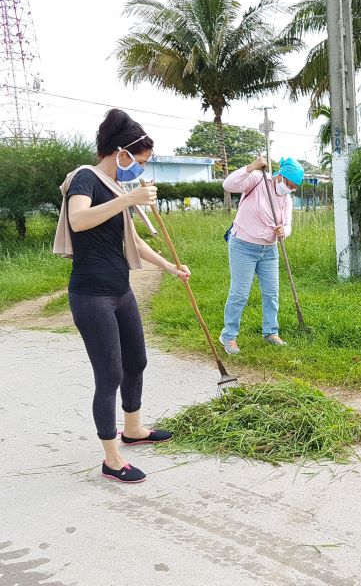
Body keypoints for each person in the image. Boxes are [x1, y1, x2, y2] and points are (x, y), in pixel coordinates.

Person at [53, 109, 191, 483]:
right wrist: (129, 201)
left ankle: (134, 429)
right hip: (91, 294)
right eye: (139, 161)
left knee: (137, 361)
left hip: (120, 289)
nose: (139, 170)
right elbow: (79, 220)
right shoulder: (86, 178)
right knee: (109, 373)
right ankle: (111, 459)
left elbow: (131, 241)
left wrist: (169, 267)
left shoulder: (116, 188)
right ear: (121, 152)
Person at [219, 156, 304, 354]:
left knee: (271, 293)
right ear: (281, 177)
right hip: (243, 245)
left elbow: (288, 225)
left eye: (294, 188)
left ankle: (270, 332)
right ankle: (228, 336)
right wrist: (251, 167)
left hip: (269, 250)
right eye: (290, 184)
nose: (290, 189)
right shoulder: (257, 179)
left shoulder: (286, 198)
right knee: (239, 293)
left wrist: (285, 231)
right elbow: (228, 185)